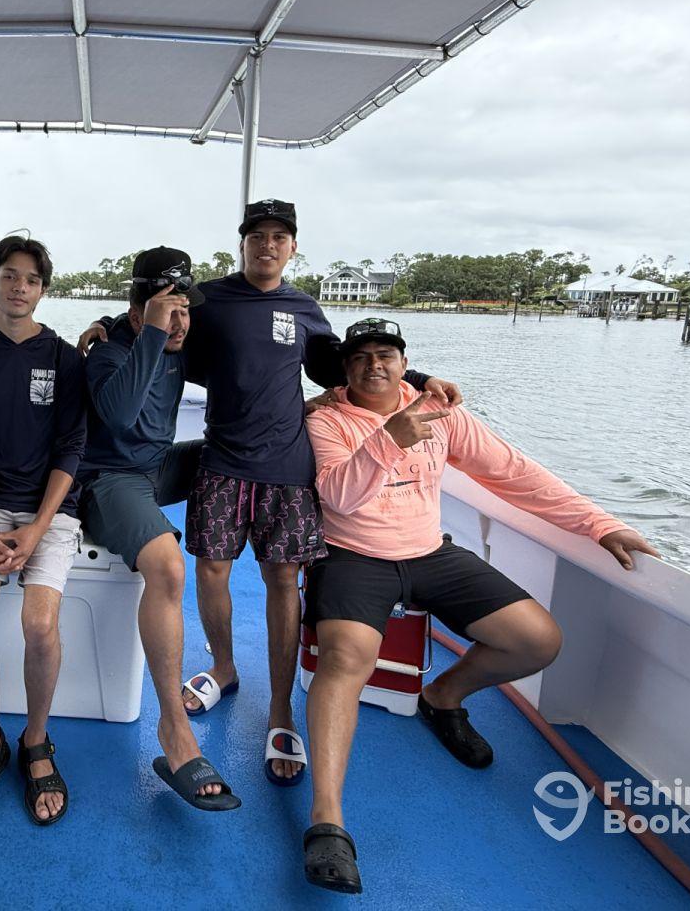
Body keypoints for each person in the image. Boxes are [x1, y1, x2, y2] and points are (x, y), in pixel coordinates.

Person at [299, 318, 659, 894]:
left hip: (429, 552)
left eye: (386, 353)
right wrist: (391, 437)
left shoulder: (443, 413)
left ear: (403, 361)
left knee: (538, 639)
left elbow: (513, 473)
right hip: (353, 556)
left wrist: (597, 523)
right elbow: (339, 495)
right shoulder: (327, 419)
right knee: (347, 660)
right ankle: (327, 820)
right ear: (345, 367)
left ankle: (442, 697)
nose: (375, 365)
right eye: (361, 356)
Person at [170, 199, 458, 787]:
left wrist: (422, 378)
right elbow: (165, 337)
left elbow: (347, 366)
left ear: (292, 247)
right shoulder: (209, 298)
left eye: (279, 237)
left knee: (281, 581)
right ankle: (223, 667)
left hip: (287, 469)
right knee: (212, 573)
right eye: (258, 236)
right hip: (223, 462)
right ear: (242, 243)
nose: (267, 245)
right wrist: (105, 329)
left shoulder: (304, 308)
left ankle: (280, 707)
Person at [80, 247, 240, 812]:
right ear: (137, 310)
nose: (179, 322)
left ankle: (228, 657)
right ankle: (174, 733)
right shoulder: (108, 353)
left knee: (246, 455)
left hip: (157, 467)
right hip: (109, 480)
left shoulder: (178, 344)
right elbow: (120, 417)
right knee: (168, 567)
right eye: (166, 309)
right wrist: (145, 334)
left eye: (184, 311)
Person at [0, 234, 87, 831]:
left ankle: (34, 739)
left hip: (51, 513)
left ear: (43, 289)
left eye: (31, 278)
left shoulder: (63, 359)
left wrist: (38, 528)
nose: (18, 286)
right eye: (9, 275)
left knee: (39, 622)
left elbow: (72, 445)